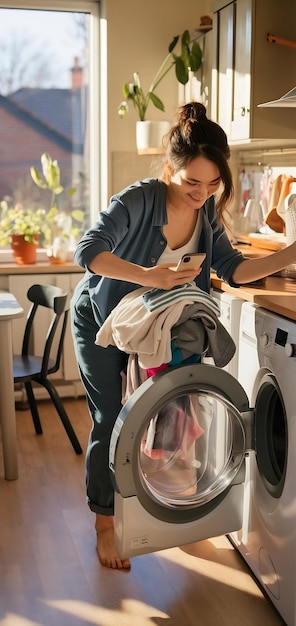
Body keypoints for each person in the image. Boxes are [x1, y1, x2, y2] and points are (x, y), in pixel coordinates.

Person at [70, 101, 296, 570]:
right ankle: (104, 525)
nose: (202, 192)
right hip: (102, 322)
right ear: (170, 168)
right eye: (192, 181)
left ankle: (176, 507)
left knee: (172, 404)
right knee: (111, 417)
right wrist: (151, 276)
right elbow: (88, 251)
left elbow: (234, 270)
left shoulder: (206, 211)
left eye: (213, 183)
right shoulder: (138, 199)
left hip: (153, 326)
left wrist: (291, 253)